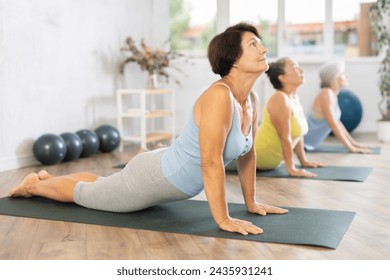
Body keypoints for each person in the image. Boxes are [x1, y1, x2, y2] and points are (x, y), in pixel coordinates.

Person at [8, 22, 288, 236]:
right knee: (86, 195)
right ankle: (34, 186)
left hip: (164, 165)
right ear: (234, 58)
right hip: (154, 178)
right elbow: (211, 162)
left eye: (260, 44)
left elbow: (246, 155)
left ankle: (46, 178)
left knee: (102, 184)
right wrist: (223, 219)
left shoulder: (251, 99)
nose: (263, 49)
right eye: (253, 44)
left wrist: (251, 202)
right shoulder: (219, 96)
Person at [254, 57, 325, 177]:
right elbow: (285, 137)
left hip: (268, 163)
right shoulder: (280, 99)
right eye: (295, 67)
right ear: (283, 78)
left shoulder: (294, 98)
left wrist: (304, 161)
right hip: (252, 159)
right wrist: (291, 169)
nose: (301, 70)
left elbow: (297, 134)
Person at [304, 61, 372, 153]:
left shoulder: (332, 94)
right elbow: (333, 124)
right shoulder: (326, 94)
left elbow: (337, 122)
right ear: (334, 77)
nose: (346, 76)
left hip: (309, 145)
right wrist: (351, 149)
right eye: (342, 74)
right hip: (304, 144)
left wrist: (354, 143)